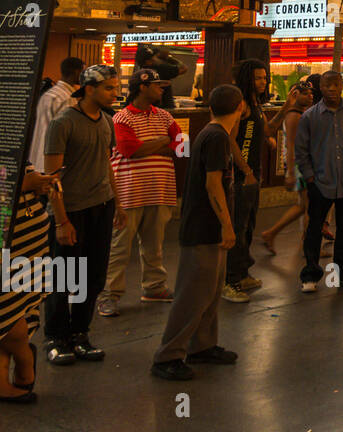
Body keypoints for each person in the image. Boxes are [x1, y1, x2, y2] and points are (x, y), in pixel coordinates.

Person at [149, 85, 243, 381]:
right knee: (193, 294)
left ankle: (202, 345)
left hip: (208, 227)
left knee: (211, 292)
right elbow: (213, 184)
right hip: (203, 227)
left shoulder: (213, 133)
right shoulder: (216, 137)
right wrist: (227, 225)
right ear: (240, 107)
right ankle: (168, 355)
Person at [43, 65, 121, 366]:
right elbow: (52, 176)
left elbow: (106, 162)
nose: (115, 93)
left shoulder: (106, 121)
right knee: (64, 276)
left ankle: (80, 334)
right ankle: (56, 336)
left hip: (101, 206)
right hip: (71, 211)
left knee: (93, 276)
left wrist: (118, 204)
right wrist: (62, 221)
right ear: (89, 89)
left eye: (115, 87)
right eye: (109, 88)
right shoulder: (63, 123)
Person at [99, 69, 181, 318]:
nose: (163, 89)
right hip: (128, 193)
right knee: (119, 248)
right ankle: (109, 295)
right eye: (158, 85)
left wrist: (150, 145)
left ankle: (154, 287)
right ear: (142, 87)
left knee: (154, 246)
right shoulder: (121, 118)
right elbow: (128, 149)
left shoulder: (165, 115)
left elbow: (182, 147)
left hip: (160, 191)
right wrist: (163, 142)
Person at [224, 59, 300, 303]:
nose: (263, 81)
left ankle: (242, 273)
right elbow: (230, 140)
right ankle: (229, 281)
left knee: (247, 225)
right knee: (237, 226)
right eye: (258, 78)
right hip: (240, 175)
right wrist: (244, 169)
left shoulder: (255, 104)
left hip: (252, 174)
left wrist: (287, 106)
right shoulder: (241, 104)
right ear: (247, 79)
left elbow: (267, 130)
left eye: (265, 77)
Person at [0, 166, 58, 403]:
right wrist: (25, 183)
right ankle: (24, 360)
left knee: (6, 312)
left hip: (25, 243)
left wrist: (38, 183)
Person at [294, 70, 343, 292]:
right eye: (327, 85)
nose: (332, 89)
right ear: (320, 88)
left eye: (336, 85)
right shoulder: (309, 117)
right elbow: (301, 149)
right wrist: (310, 177)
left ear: (342, 86)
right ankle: (310, 275)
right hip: (320, 183)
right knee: (314, 229)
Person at [260, 76, 317, 254]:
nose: (310, 96)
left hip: (300, 164)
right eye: (305, 93)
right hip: (299, 165)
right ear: (294, 95)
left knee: (304, 205)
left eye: (311, 93)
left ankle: (273, 233)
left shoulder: (300, 114)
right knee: (309, 205)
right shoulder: (294, 116)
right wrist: (291, 172)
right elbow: (291, 144)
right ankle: (308, 245)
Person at [28, 57, 81, 171]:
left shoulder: (49, 94)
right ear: (76, 72)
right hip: (53, 160)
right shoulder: (67, 98)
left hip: (38, 157)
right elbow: (66, 134)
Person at [134, 44, 183, 110]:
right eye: (154, 57)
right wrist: (169, 58)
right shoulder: (161, 68)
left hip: (146, 109)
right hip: (165, 108)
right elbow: (183, 68)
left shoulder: (138, 74)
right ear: (148, 61)